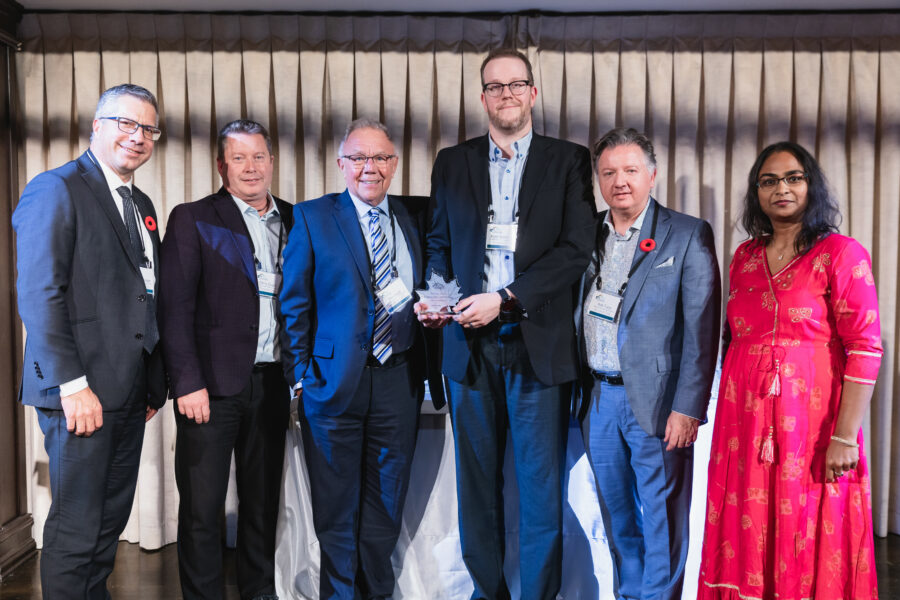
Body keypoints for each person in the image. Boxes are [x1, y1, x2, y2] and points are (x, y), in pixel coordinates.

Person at [417, 48, 596, 600]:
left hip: (536, 344)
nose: (506, 94)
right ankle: (487, 593)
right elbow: (439, 243)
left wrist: (506, 298)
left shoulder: (568, 160)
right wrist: (439, 299)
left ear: (533, 93)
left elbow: (575, 250)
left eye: (516, 84)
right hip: (468, 346)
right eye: (495, 86)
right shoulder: (453, 161)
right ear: (482, 98)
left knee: (541, 491)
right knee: (476, 488)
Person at [698, 141, 882, 599]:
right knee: (747, 522)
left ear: (810, 186)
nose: (781, 188)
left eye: (793, 178)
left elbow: (865, 347)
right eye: (769, 181)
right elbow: (731, 337)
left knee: (806, 521)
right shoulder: (744, 256)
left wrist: (845, 436)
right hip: (744, 424)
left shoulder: (841, 253)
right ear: (757, 192)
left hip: (814, 424)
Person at [13, 83, 167, 599]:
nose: (138, 136)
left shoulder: (141, 203)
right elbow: (40, 294)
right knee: (77, 528)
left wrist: (152, 380)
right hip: (79, 391)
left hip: (129, 391)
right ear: (97, 125)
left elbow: (145, 293)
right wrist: (72, 385)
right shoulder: (55, 188)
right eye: (127, 123)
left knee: (108, 524)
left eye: (148, 128)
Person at [280, 118, 442, 600]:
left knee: (386, 505)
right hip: (332, 383)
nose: (369, 167)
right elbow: (294, 303)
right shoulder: (313, 216)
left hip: (399, 380)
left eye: (380, 157)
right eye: (358, 158)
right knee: (335, 508)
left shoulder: (417, 215)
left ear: (395, 163)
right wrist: (301, 376)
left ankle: (377, 593)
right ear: (341, 163)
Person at [575, 127, 721, 600]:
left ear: (652, 176)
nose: (620, 181)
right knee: (617, 517)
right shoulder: (584, 233)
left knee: (662, 520)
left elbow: (702, 331)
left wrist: (688, 408)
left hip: (659, 403)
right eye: (609, 172)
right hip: (597, 400)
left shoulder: (687, 234)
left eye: (630, 170)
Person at [158, 119, 292, 600]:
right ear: (221, 166)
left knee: (262, 504)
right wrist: (186, 382)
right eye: (239, 158)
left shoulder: (296, 219)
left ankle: (259, 591)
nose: (251, 167)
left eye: (258, 156)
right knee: (202, 508)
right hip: (209, 389)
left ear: (271, 161)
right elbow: (174, 308)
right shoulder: (194, 218)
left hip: (273, 384)